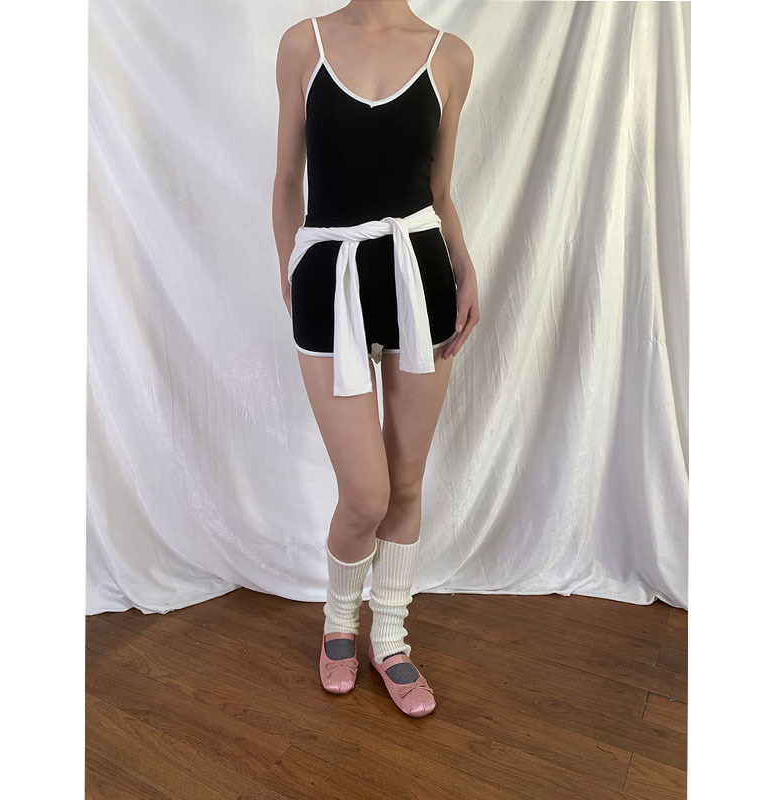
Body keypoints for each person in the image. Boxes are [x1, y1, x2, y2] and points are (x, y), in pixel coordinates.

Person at [272, 0, 477, 718]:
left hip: (421, 278)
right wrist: (292, 277)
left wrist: (465, 266)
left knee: (406, 481)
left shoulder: (450, 56)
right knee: (366, 492)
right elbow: (286, 183)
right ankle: (338, 621)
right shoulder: (304, 45)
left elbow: (439, 191)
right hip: (329, 280)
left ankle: (388, 637)